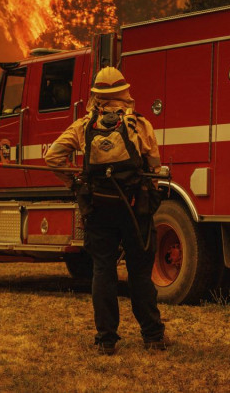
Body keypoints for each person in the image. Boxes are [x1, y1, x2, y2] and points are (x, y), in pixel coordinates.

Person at [45, 66, 167, 355]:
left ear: (96, 94)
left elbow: (52, 158)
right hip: (135, 208)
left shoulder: (84, 126)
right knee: (139, 272)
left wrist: (74, 183)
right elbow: (154, 167)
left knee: (103, 270)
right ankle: (152, 336)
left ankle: (106, 340)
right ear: (125, 92)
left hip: (98, 209)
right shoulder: (140, 124)